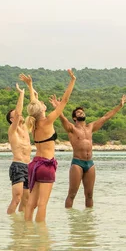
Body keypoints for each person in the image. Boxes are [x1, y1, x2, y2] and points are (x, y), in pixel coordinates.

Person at [49, 94, 126, 208]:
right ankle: (69, 221)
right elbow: (62, 118)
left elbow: (106, 117)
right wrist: (58, 107)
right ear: (75, 118)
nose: (81, 113)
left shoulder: (91, 127)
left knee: (89, 195)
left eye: (82, 112)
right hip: (77, 163)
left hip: (90, 163)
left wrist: (120, 106)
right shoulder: (71, 128)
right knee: (72, 194)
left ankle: (89, 221)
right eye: (79, 112)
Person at [21, 69, 76, 222]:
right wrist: (72, 81)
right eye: (42, 104)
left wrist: (30, 86)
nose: (43, 103)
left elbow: (33, 105)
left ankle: (28, 232)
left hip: (34, 164)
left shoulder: (34, 123)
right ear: (42, 110)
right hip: (46, 165)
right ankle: (41, 239)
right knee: (42, 204)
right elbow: (64, 101)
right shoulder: (46, 121)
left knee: (31, 202)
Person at [5, 82, 31, 214]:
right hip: (18, 166)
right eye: (15, 115)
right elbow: (19, 111)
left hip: (29, 166)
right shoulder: (13, 129)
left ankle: (21, 224)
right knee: (17, 198)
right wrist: (21, 94)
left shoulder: (25, 128)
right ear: (11, 119)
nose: (19, 115)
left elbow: (33, 111)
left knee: (26, 199)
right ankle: (11, 222)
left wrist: (31, 89)